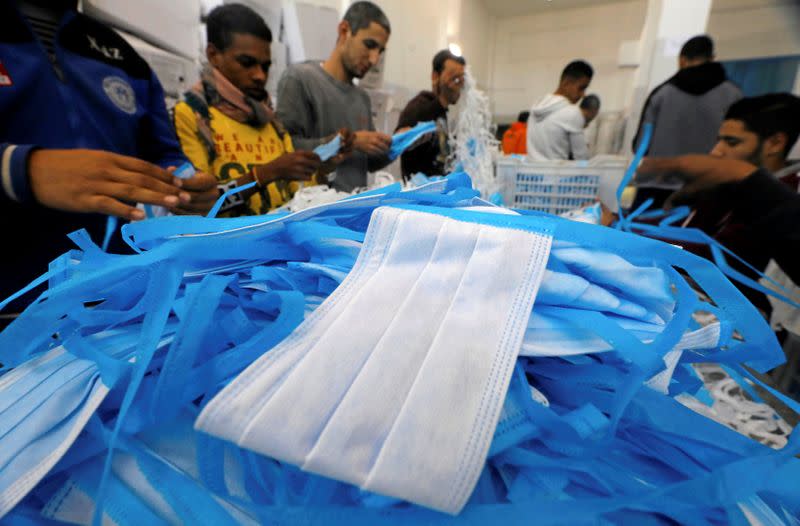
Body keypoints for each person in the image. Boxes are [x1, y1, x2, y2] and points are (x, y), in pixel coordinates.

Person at [0, 0, 218, 320]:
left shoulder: (121, 55)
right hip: (13, 306)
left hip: (118, 305)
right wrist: (17, 168)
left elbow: (162, 152)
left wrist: (185, 185)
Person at [174, 4, 349, 216]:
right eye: (247, 63)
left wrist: (324, 167)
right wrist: (265, 174)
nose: (260, 76)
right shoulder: (192, 116)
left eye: (266, 66)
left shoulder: (272, 122)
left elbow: (303, 197)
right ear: (213, 55)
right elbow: (196, 205)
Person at [276, 1, 392, 192]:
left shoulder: (362, 97)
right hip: (313, 210)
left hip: (354, 211)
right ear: (344, 31)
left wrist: (401, 142)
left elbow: (367, 162)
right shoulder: (300, 79)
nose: (374, 59)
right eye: (369, 45)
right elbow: (284, 150)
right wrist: (347, 142)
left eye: (380, 51)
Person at [638, 155, 799, 289]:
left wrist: (635, 240)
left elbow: (712, 255)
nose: (718, 151)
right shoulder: (727, 192)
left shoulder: (769, 202)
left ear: (775, 143)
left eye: (732, 142)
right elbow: (681, 229)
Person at [632, 35, 742, 209]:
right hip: (707, 187)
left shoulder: (661, 94)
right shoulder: (734, 95)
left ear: (682, 60)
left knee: (641, 233)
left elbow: (640, 146)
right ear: (712, 58)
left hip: (656, 186)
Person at [395, 49, 465, 180]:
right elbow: (399, 140)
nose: (458, 84)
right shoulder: (419, 106)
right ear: (435, 76)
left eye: (461, 79)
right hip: (418, 194)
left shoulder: (443, 113)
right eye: (453, 77)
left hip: (439, 194)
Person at [526, 60, 594, 161]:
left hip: (530, 175)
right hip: (558, 175)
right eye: (581, 88)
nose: (583, 94)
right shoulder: (572, 113)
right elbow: (582, 159)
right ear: (566, 83)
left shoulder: (536, 107)